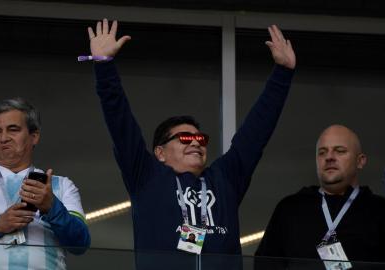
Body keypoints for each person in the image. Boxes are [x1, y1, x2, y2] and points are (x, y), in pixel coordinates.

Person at [88, 18, 295, 257]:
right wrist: (103, 65)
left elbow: (256, 133)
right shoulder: (146, 177)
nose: (196, 142)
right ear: (160, 153)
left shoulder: (224, 180)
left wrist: (283, 74)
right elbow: (120, 121)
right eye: (185, 138)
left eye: (201, 139)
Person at [0, 98, 91, 269]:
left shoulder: (61, 185)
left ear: (34, 136)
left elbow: (80, 243)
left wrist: (51, 207)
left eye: (13, 130)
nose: (3, 138)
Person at [255, 125, 385, 269]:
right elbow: (264, 265)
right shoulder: (290, 209)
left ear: (360, 161)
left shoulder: (379, 210)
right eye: (322, 153)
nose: (329, 157)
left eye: (340, 151)